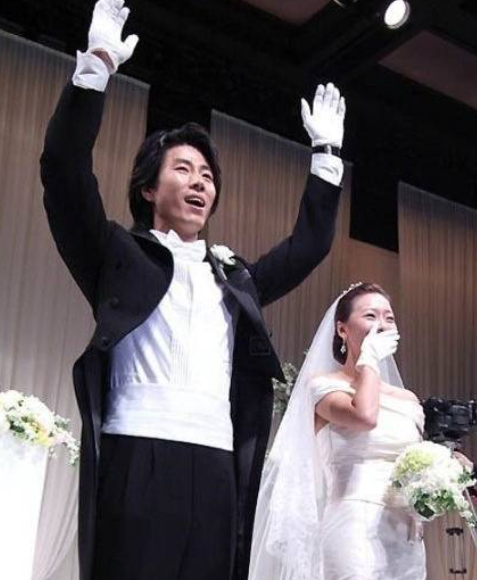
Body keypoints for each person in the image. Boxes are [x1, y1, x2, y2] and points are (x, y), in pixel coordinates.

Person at [39, 0, 347, 579]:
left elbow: (309, 246)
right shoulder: (117, 255)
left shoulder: (232, 277)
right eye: (183, 169)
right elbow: (63, 170)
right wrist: (96, 64)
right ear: (148, 189)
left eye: (207, 175)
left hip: (216, 462)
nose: (200, 182)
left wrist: (326, 157)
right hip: (139, 450)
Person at [249, 282, 427, 580]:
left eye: (389, 318)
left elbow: (416, 460)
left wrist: (447, 470)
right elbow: (365, 416)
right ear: (342, 329)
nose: (381, 325)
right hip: (354, 525)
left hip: (405, 533)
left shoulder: (406, 398)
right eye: (370, 316)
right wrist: (368, 359)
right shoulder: (324, 386)